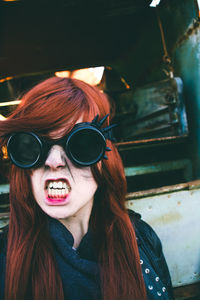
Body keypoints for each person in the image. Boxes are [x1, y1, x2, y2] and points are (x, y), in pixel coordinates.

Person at [0, 76, 174, 300]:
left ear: (104, 161)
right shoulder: (6, 258)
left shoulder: (141, 240)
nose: (54, 161)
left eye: (81, 144)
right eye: (32, 146)